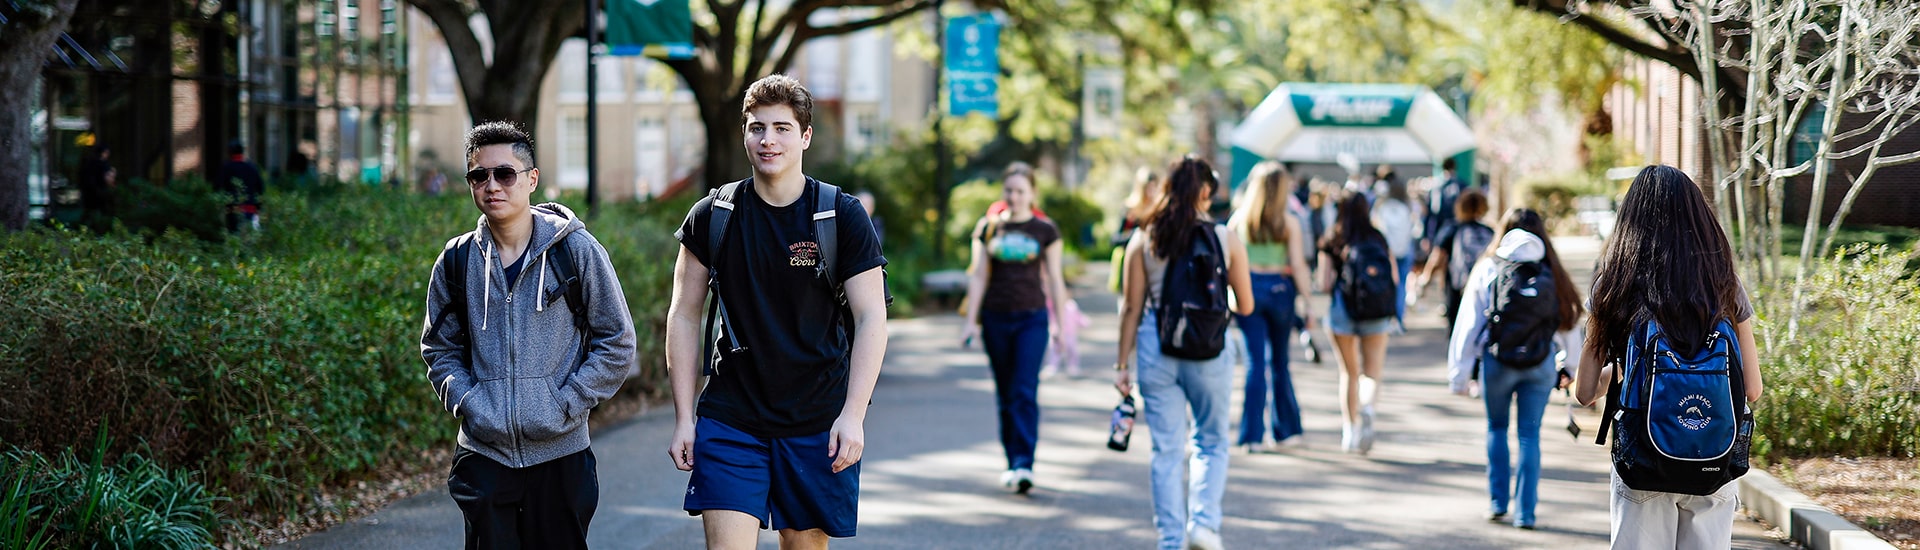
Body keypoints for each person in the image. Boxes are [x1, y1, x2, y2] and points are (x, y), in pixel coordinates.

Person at [664, 74, 889, 549]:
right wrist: (685, 416)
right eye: (756, 127)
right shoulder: (713, 215)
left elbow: (872, 317)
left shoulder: (840, 215)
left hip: (817, 420)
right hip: (732, 416)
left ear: (805, 136)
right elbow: (683, 313)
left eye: (782, 128)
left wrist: (854, 415)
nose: (768, 140)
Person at [420, 121, 638, 548]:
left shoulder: (575, 251)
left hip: (561, 456)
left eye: (505, 173)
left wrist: (566, 402)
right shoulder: (457, 260)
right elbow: (438, 348)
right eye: (478, 175)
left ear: (531, 179)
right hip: (484, 456)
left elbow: (617, 341)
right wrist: (469, 401)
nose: (492, 185)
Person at [1574, 165, 1763, 548]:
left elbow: (1585, 391)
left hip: (1643, 459)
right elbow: (1753, 389)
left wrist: (1627, 374)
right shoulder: (1723, 281)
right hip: (1713, 456)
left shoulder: (1614, 281)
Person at [1115, 155, 1254, 550]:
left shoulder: (1145, 238)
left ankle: (1170, 541)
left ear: (1168, 188)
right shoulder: (1226, 238)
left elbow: (1131, 307)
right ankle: (1204, 525)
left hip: (1157, 348)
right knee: (1210, 441)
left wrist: (1121, 365)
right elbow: (1245, 306)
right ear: (1207, 192)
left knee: (1166, 450)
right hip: (1209, 350)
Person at [1446, 208, 1584, 530]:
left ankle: (1497, 503)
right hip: (1540, 365)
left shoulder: (1488, 268)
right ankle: (1526, 513)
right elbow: (1569, 324)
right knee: (1529, 435)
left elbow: (1468, 325)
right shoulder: (1552, 271)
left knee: (1496, 428)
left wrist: (1460, 375)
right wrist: (1570, 365)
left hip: (1498, 363)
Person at [957, 161, 1074, 493]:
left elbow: (1055, 280)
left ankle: (1024, 463)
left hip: (1032, 319)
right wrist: (971, 322)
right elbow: (978, 276)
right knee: (1006, 392)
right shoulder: (988, 228)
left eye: (1021, 191)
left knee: (1024, 389)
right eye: (1009, 190)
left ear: (1032, 193)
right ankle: (1012, 462)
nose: (1015, 196)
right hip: (996, 318)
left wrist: (1061, 328)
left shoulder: (1046, 231)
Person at [1225, 161, 1314, 452]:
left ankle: (1252, 435)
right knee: (1280, 362)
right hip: (1279, 291)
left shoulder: (1239, 220)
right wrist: (1309, 305)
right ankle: (1286, 431)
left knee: (1254, 364)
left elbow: (1225, 262)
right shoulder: (1289, 222)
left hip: (1247, 289)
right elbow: (1299, 266)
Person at [1317, 191, 1399, 454]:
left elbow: (1324, 282)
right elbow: (1394, 277)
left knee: (1348, 372)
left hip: (1343, 312)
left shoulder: (1333, 238)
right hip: (1376, 312)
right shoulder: (1378, 238)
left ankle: (1349, 429)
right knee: (1371, 372)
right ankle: (1369, 408)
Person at [1417, 188, 1494, 330]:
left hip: (1457, 288)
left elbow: (1437, 257)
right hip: (1484, 288)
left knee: (1457, 330)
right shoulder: (1489, 231)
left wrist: (1425, 279)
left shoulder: (1451, 228)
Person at [1371, 171, 1419, 323]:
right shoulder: (1406, 207)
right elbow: (1414, 228)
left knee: (1387, 284)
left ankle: (1387, 315)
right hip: (1404, 250)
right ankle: (1398, 317)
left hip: (1386, 252)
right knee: (1402, 284)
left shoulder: (1381, 207)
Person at [1423, 158, 1468, 262]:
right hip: (1459, 230)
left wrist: (1426, 235)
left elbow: (1430, 213)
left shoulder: (1436, 186)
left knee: (1438, 263)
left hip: (1439, 231)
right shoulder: (1462, 185)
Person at [216, 142, 267, 232]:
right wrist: (259, 207)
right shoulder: (252, 167)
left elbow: (218, 186)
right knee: (250, 237)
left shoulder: (227, 167)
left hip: (233, 209)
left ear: (230, 152)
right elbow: (260, 188)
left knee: (235, 236)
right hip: (250, 208)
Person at [77, 145, 116, 224]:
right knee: (101, 210)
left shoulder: (89, 163)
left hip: (90, 191)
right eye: (106, 153)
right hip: (99, 190)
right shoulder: (103, 164)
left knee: (90, 211)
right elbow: (107, 178)